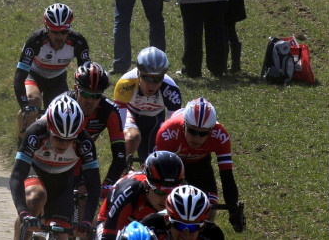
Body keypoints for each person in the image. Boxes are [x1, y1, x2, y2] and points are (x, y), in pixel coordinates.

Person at [10, 95, 101, 240]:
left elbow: (94, 185)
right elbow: (17, 175)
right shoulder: (36, 132)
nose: (63, 144)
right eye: (58, 137)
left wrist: (86, 221)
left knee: (62, 235)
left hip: (62, 180)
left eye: (69, 139)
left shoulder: (84, 142)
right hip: (36, 171)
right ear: (49, 128)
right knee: (35, 198)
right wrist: (23, 213)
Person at [154, 98, 244, 233]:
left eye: (202, 133)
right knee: (174, 207)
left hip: (200, 165)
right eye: (192, 131)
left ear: (211, 130)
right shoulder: (168, 131)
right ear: (184, 124)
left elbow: (227, 175)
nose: (196, 138)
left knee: (208, 211)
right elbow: (162, 169)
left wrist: (233, 208)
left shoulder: (220, 135)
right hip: (173, 165)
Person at [13, 3, 90, 142]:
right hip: (34, 76)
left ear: (69, 29)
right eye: (54, 31)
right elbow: (19, 77)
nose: (59, 36)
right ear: (47, 28)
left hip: (57, 80)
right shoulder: (36, 40)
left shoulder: (78, 41)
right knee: (33, 102)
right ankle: (22, 146)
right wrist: (24, 105)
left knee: (62, 114)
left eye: (63, 32)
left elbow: (86, 77)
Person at [68, 62, 126, 199]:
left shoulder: (108, 111)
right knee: (37, 201)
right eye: (85, 94)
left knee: (86, 198)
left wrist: (107, 184)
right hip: (52, 157)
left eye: (96, 96)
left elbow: (120, 156)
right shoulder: (63, 104)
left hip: (82, 159)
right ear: (76, 89)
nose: (90, 100)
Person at [95, 151, 185, 240]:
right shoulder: (129, 193)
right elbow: (108, 235)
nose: (166, 199)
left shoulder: (181, 196)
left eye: (171, 193)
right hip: (113, 219)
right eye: (160, 192)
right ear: (146, 185)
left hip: (144, 222)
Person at [112, 47, 181, 159]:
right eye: (146, 78)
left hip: (155, 118)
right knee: (131, 139)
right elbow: (120, 127)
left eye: (157, 79)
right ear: (138, 73)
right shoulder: (125, 83)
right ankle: (122, 171)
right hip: (131, 113)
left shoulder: (171, 90)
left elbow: (173, 128)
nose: (151, 85)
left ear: (163, 76)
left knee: (154, 159)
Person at [141, 185, 226, 239]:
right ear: (167, 220)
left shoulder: (213, 235)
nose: (185, 235)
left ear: (203, 226)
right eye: (179, 225)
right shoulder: (152, 225)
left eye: (193, 227)